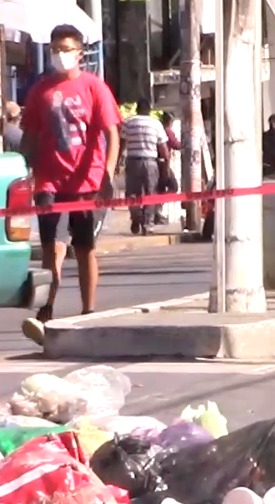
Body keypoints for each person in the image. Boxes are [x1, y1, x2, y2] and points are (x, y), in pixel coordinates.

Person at [19, 23, 121, 346]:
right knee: (53, 248)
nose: (60, 55)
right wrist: (25, 171)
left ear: (79, 53)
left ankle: (88, 311)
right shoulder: (40, 90)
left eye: (66, 49)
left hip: (86, 181)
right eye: (55, 49)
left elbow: (112, 134)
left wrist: (107, 173)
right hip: (49, 181)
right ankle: (46, 311)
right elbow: (30, 136)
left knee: (84, 248)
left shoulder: (94, 88)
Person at [122, 98, 170, 234]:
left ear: (137, 108)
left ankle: (136, 217)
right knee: (150, 193)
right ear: (149, 110)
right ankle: (148, 225)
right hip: (150, 162)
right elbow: (164, 149)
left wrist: (118, 160)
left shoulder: (129, 122)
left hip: (132, 161)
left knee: (132, 193)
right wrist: (165, 165)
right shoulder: (156, 124)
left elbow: (122, 143)